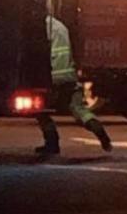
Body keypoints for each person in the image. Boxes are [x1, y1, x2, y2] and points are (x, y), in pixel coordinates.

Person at [36, 14, 112, 158]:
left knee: (41, 111)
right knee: (79, 109)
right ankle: (101, 134)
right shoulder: (60, 27)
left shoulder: (42, 26)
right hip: (69, 76)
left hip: (54, 76)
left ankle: (52, 144)